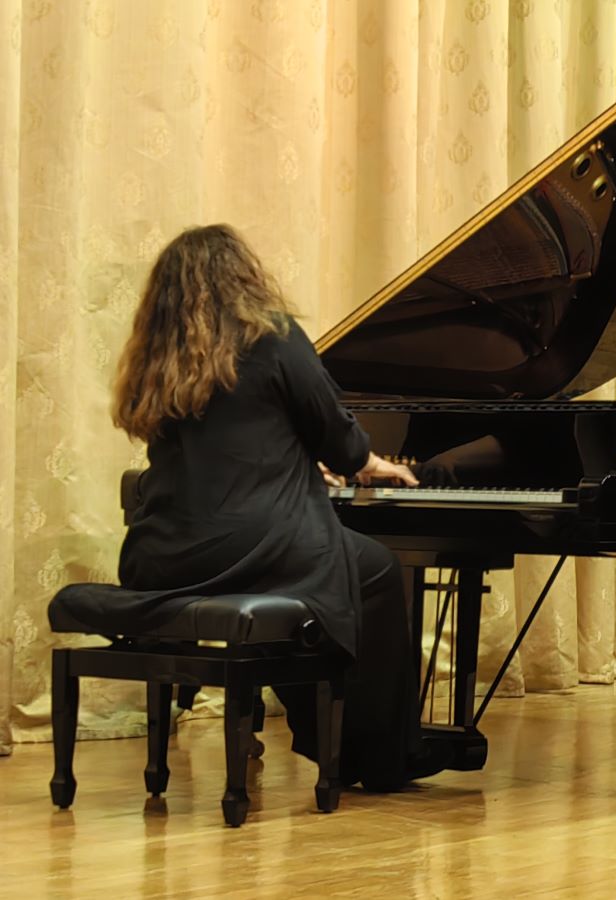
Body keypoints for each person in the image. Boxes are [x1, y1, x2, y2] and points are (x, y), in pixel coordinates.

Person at [111, 223, 437, 790]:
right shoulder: (273, 337)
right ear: (244, 277)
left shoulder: (159, 359)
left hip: (163, 556)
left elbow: (230, 447)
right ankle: (378, 756)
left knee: (321, 572)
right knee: (376, 570)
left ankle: (328, 737)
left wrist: (292, 461)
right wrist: (366, 461)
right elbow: (336, 437)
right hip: (256, 550)